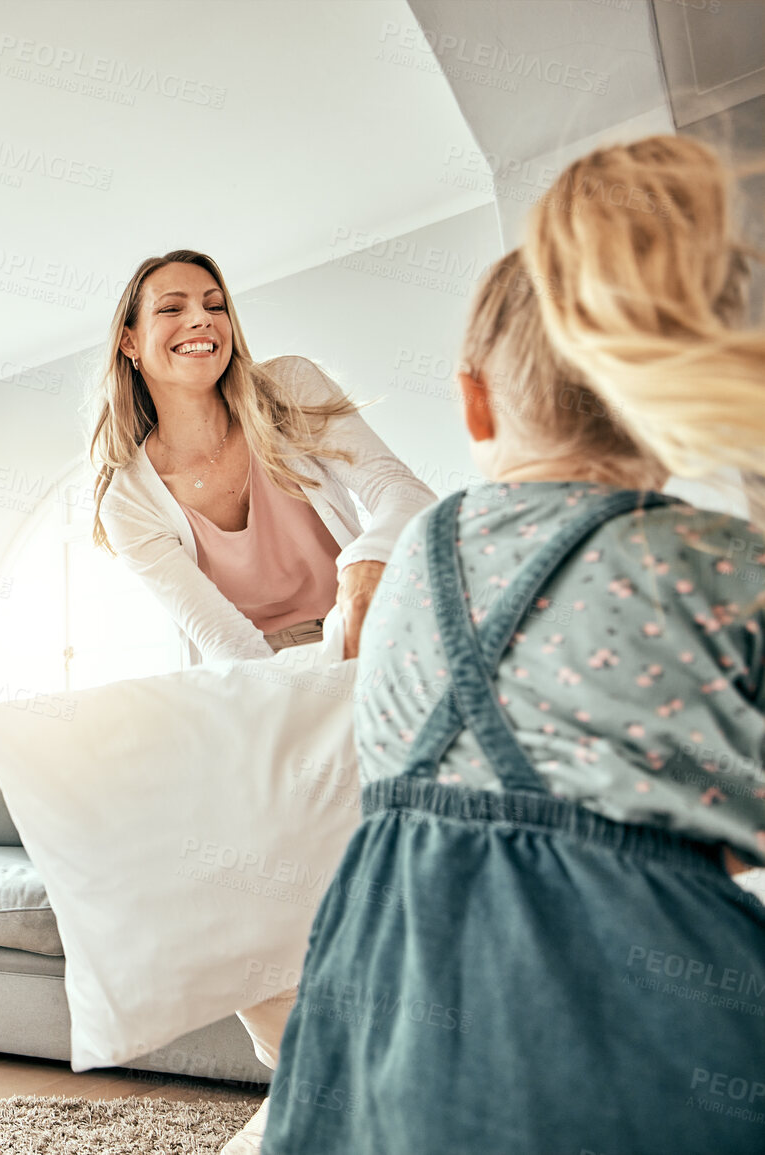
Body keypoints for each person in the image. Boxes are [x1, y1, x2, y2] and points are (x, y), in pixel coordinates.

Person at [265, 136, 765, 1154]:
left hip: (391, 1003)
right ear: (659, 396)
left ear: (475, 397)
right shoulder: (712, 559)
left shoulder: (413, 560)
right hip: (644, 1020)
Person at [88, 250, 435, 1154]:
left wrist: (366, 560)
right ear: (130, 342)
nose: (199, 318)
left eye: (213, 302)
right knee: (235, 902)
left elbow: (403, 492)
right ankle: (319, 1092)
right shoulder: (128, 495)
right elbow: (228, 642)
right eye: (170, 308)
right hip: (255, 686)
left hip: (376, 646)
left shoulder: (286, 388)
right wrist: (308, 681)